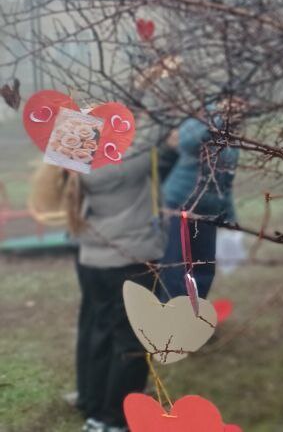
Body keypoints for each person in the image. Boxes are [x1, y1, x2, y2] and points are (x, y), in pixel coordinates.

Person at [68, 137, 176, 432]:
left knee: (101, 332)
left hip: (93, 256)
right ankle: (117, 418)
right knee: (131, 340)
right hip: (131, 257)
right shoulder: (125, 162)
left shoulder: (74, 162)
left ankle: (95, 408)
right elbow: (161, 140)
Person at [156, 96, 242, 301]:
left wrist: (229, 218)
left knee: (203, 272)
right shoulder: (203, 119)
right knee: (176, 271)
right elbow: (186, 141)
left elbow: (225, 182)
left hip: (208, 213)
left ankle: (194, 324)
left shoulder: (233, 142)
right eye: (237, 105)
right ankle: (172, 325)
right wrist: (217, 115)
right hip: (180, 207)